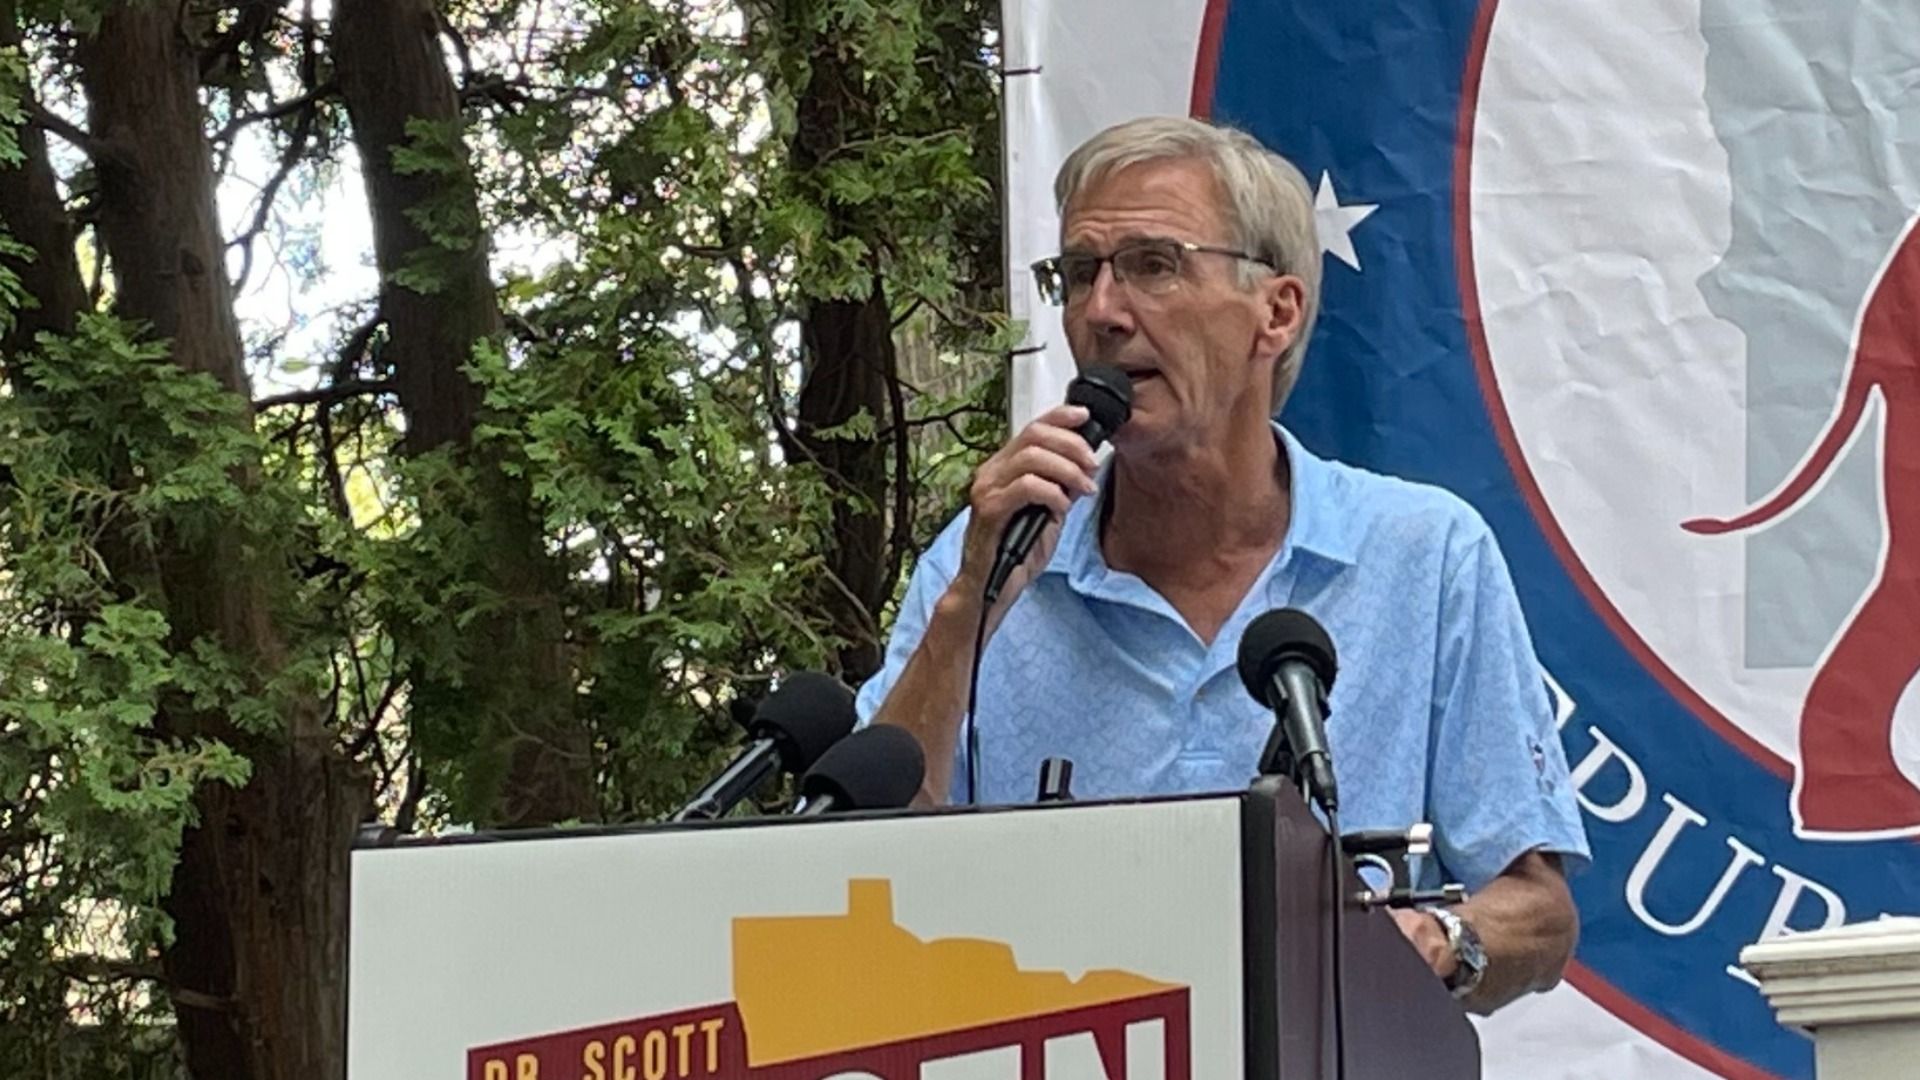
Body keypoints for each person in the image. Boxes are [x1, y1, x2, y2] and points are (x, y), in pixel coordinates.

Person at [854, 115, 1588, 1013]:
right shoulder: (992, 562)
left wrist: (1440, 942)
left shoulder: (1426, 555)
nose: (1103, 313)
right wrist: (969, 605)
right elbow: (863, 863)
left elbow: (1541, 914)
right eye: (1080, 273)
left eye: (1154, 266)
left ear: (1275, 312)